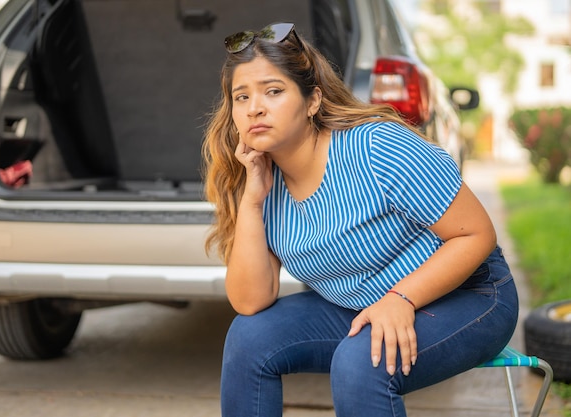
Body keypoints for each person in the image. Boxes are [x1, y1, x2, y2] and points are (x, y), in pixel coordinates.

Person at [201, 22, 519, 417]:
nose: (255, 108)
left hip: (467, 295)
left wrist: (400, 298)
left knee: (360, 362)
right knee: (249, 338)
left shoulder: (374, 147)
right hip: (363, 304)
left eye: (274, 91)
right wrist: (251, 202)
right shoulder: (258, 180)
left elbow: (476, 234)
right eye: (241, 96)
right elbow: (250, 301)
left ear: (313, 101)